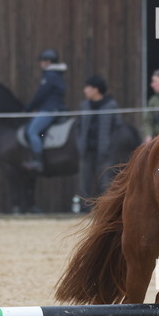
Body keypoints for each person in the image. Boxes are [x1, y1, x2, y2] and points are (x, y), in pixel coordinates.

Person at [76, 75, 120, 210]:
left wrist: (110, 146)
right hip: (87, 150)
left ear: (96, 89)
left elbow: (117, 128)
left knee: (105, 182)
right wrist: (80, 145)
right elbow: (78, 127)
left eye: (87, 87)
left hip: (105, 152)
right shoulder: (84, 106)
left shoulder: (111, 106)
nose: (85, 91)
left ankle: (106, 209)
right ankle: (84, 209)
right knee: (84, 181)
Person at [23, 48, 67, 172]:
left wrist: (29, 108)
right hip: (53, 108)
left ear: (47, 61)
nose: (40, 64)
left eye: (42, 61)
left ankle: (38, 161)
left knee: (32, 131)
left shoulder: (50, 75)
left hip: (49, 109)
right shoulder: (57, 75)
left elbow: (40, 95)